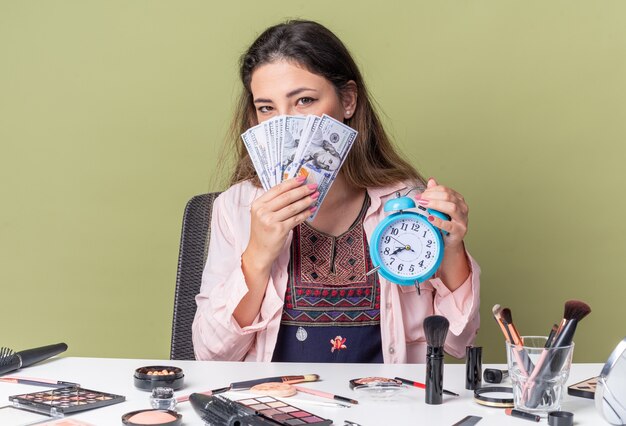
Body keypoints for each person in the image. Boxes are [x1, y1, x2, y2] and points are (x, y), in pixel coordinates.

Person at [192, 20, 480, 363]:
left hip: (385, 407)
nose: (286, 125)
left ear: (347, 101)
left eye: (304, 100)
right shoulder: (236, 207)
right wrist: (256, 256)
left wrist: (452, 247)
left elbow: (457, 341)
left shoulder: (407, 203)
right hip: (277, 405)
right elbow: (211, 355)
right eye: (266, 108)